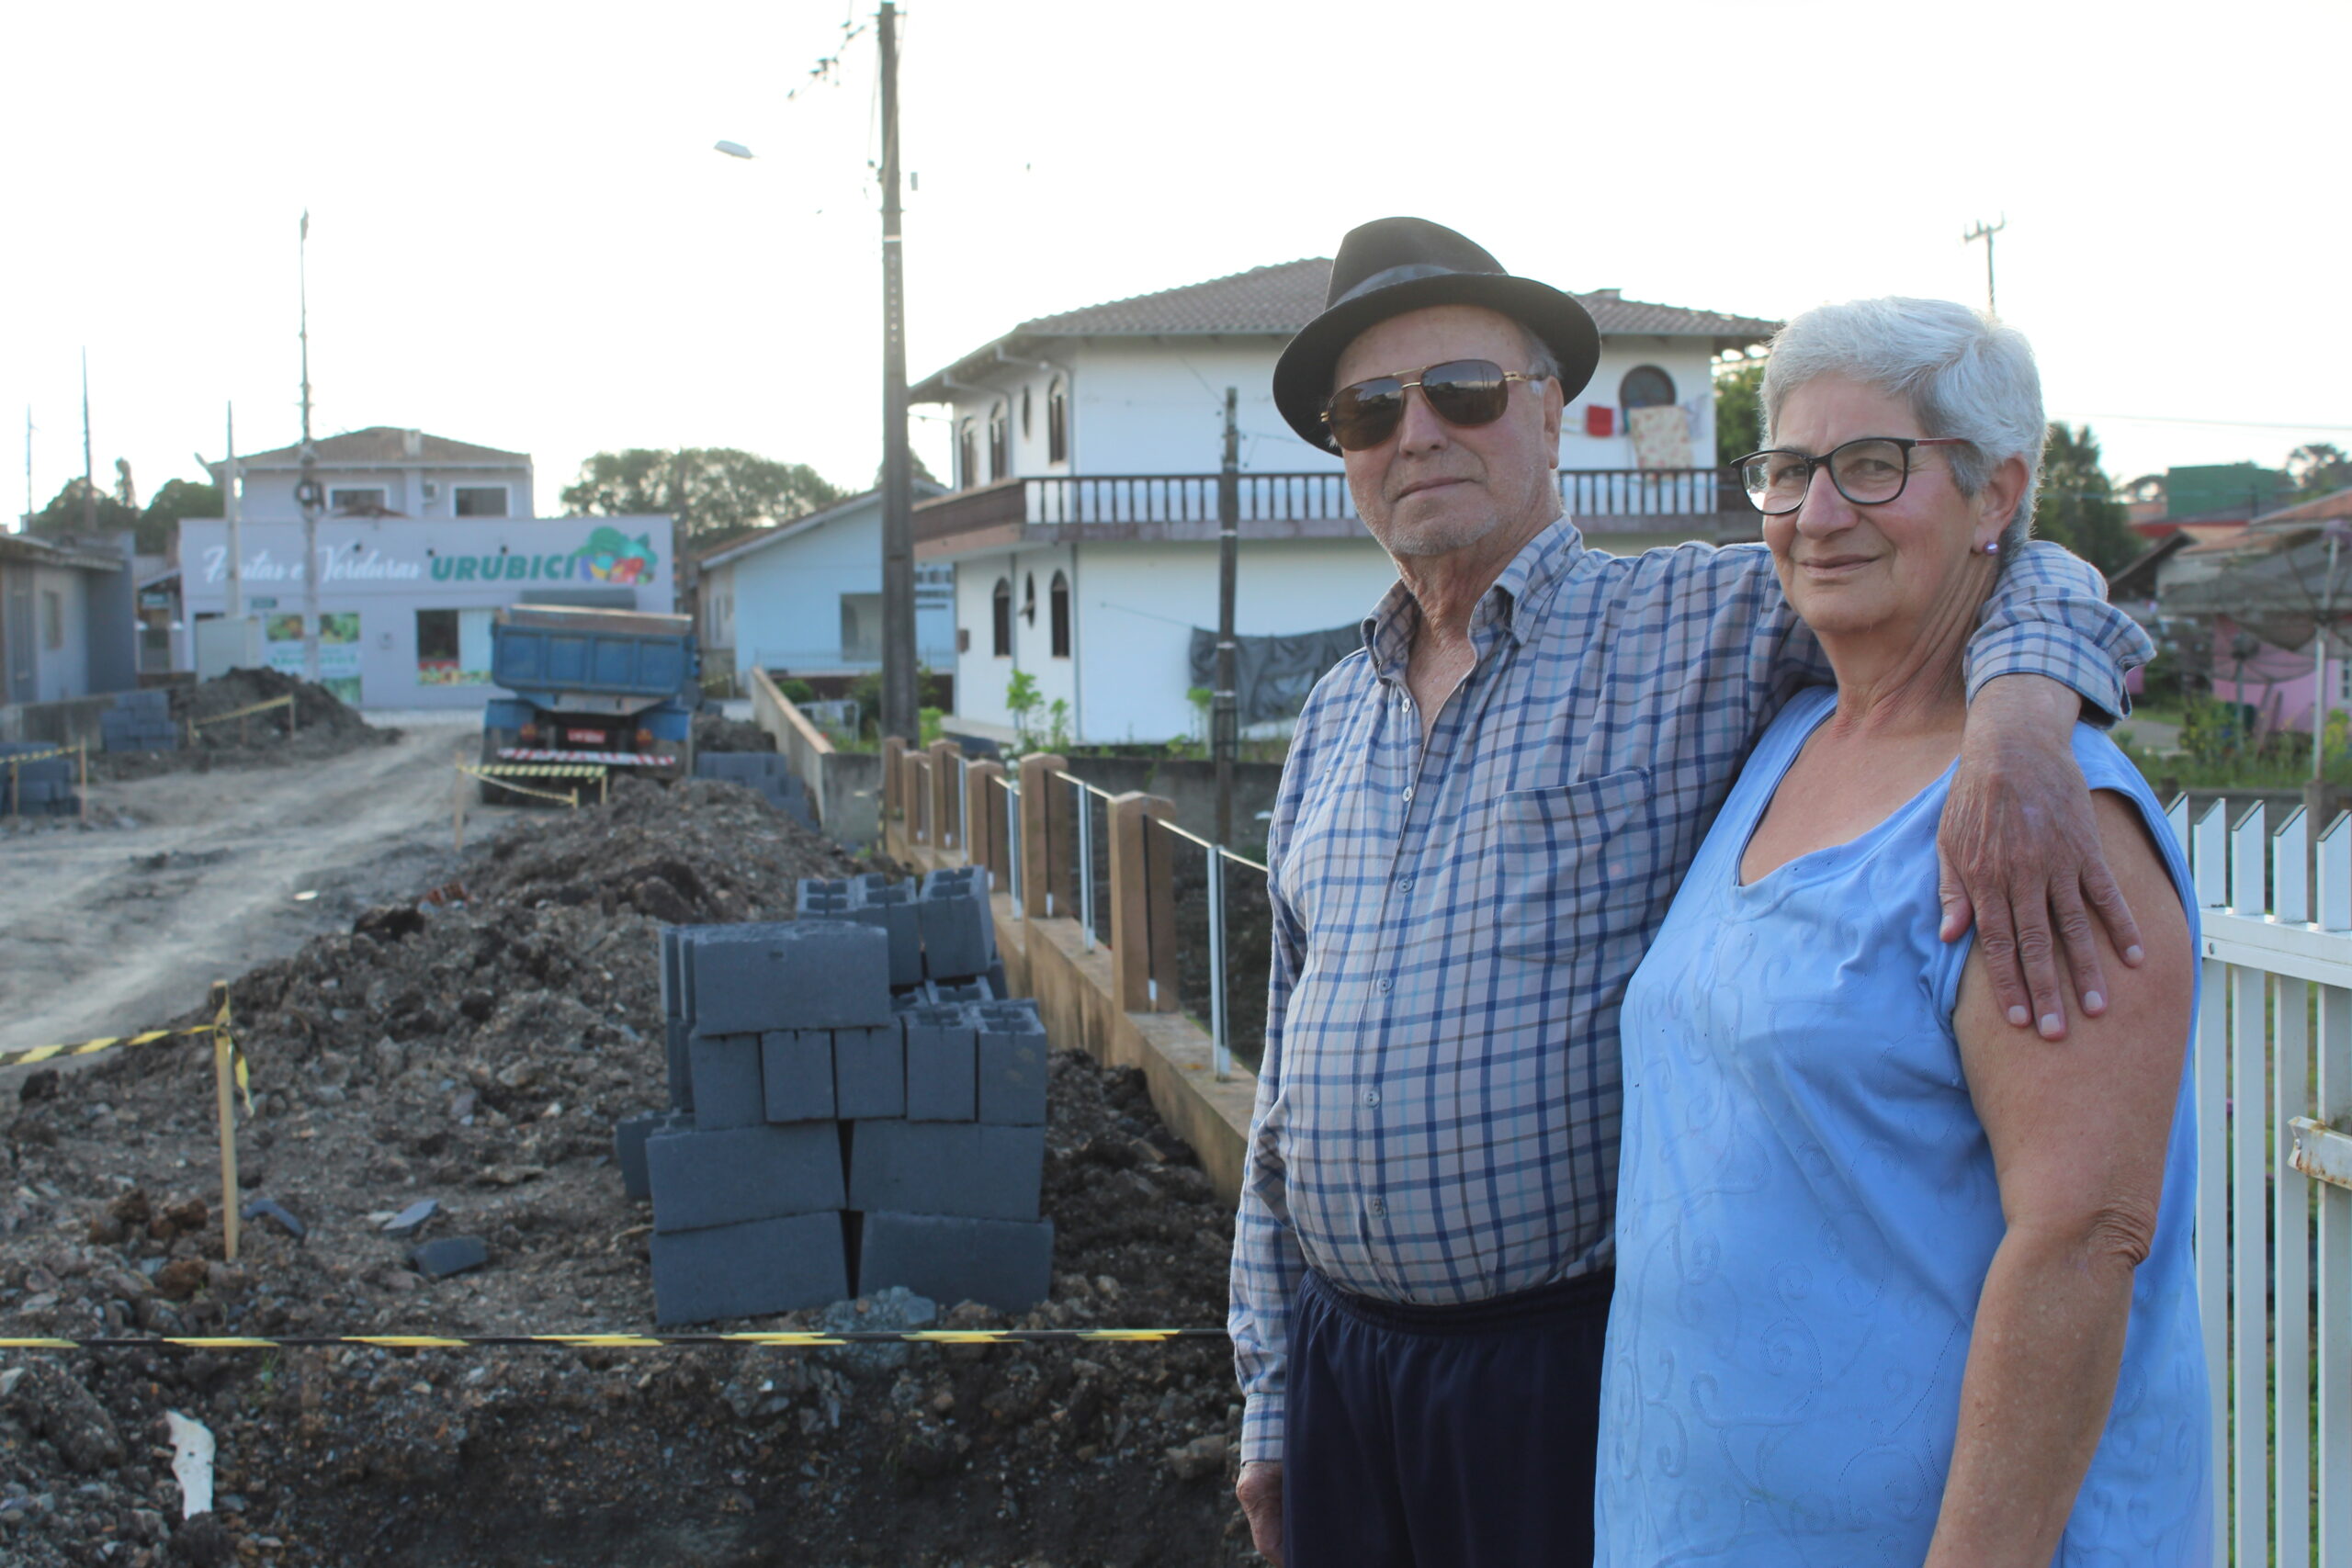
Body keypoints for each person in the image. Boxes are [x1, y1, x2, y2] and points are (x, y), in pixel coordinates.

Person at [1228, 219, 2157, 1568]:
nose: (1416, 431)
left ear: (1551, 414)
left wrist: (2018, 719)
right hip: (1341, 1372)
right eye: (1371, 411)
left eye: (1464, 392)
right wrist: (1270, 1402)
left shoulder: (1697, 626)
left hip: (1561, 1370)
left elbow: (2002, 559)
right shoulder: (1329, 716)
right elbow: (1277, 1093)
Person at [1592, 298, 2209, 1563]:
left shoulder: (2043, 812)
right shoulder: (1780, 742)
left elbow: (2082, 1238)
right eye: (1788, 471)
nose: (1818, 514)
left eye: (1874, 466)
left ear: (1997, 496)